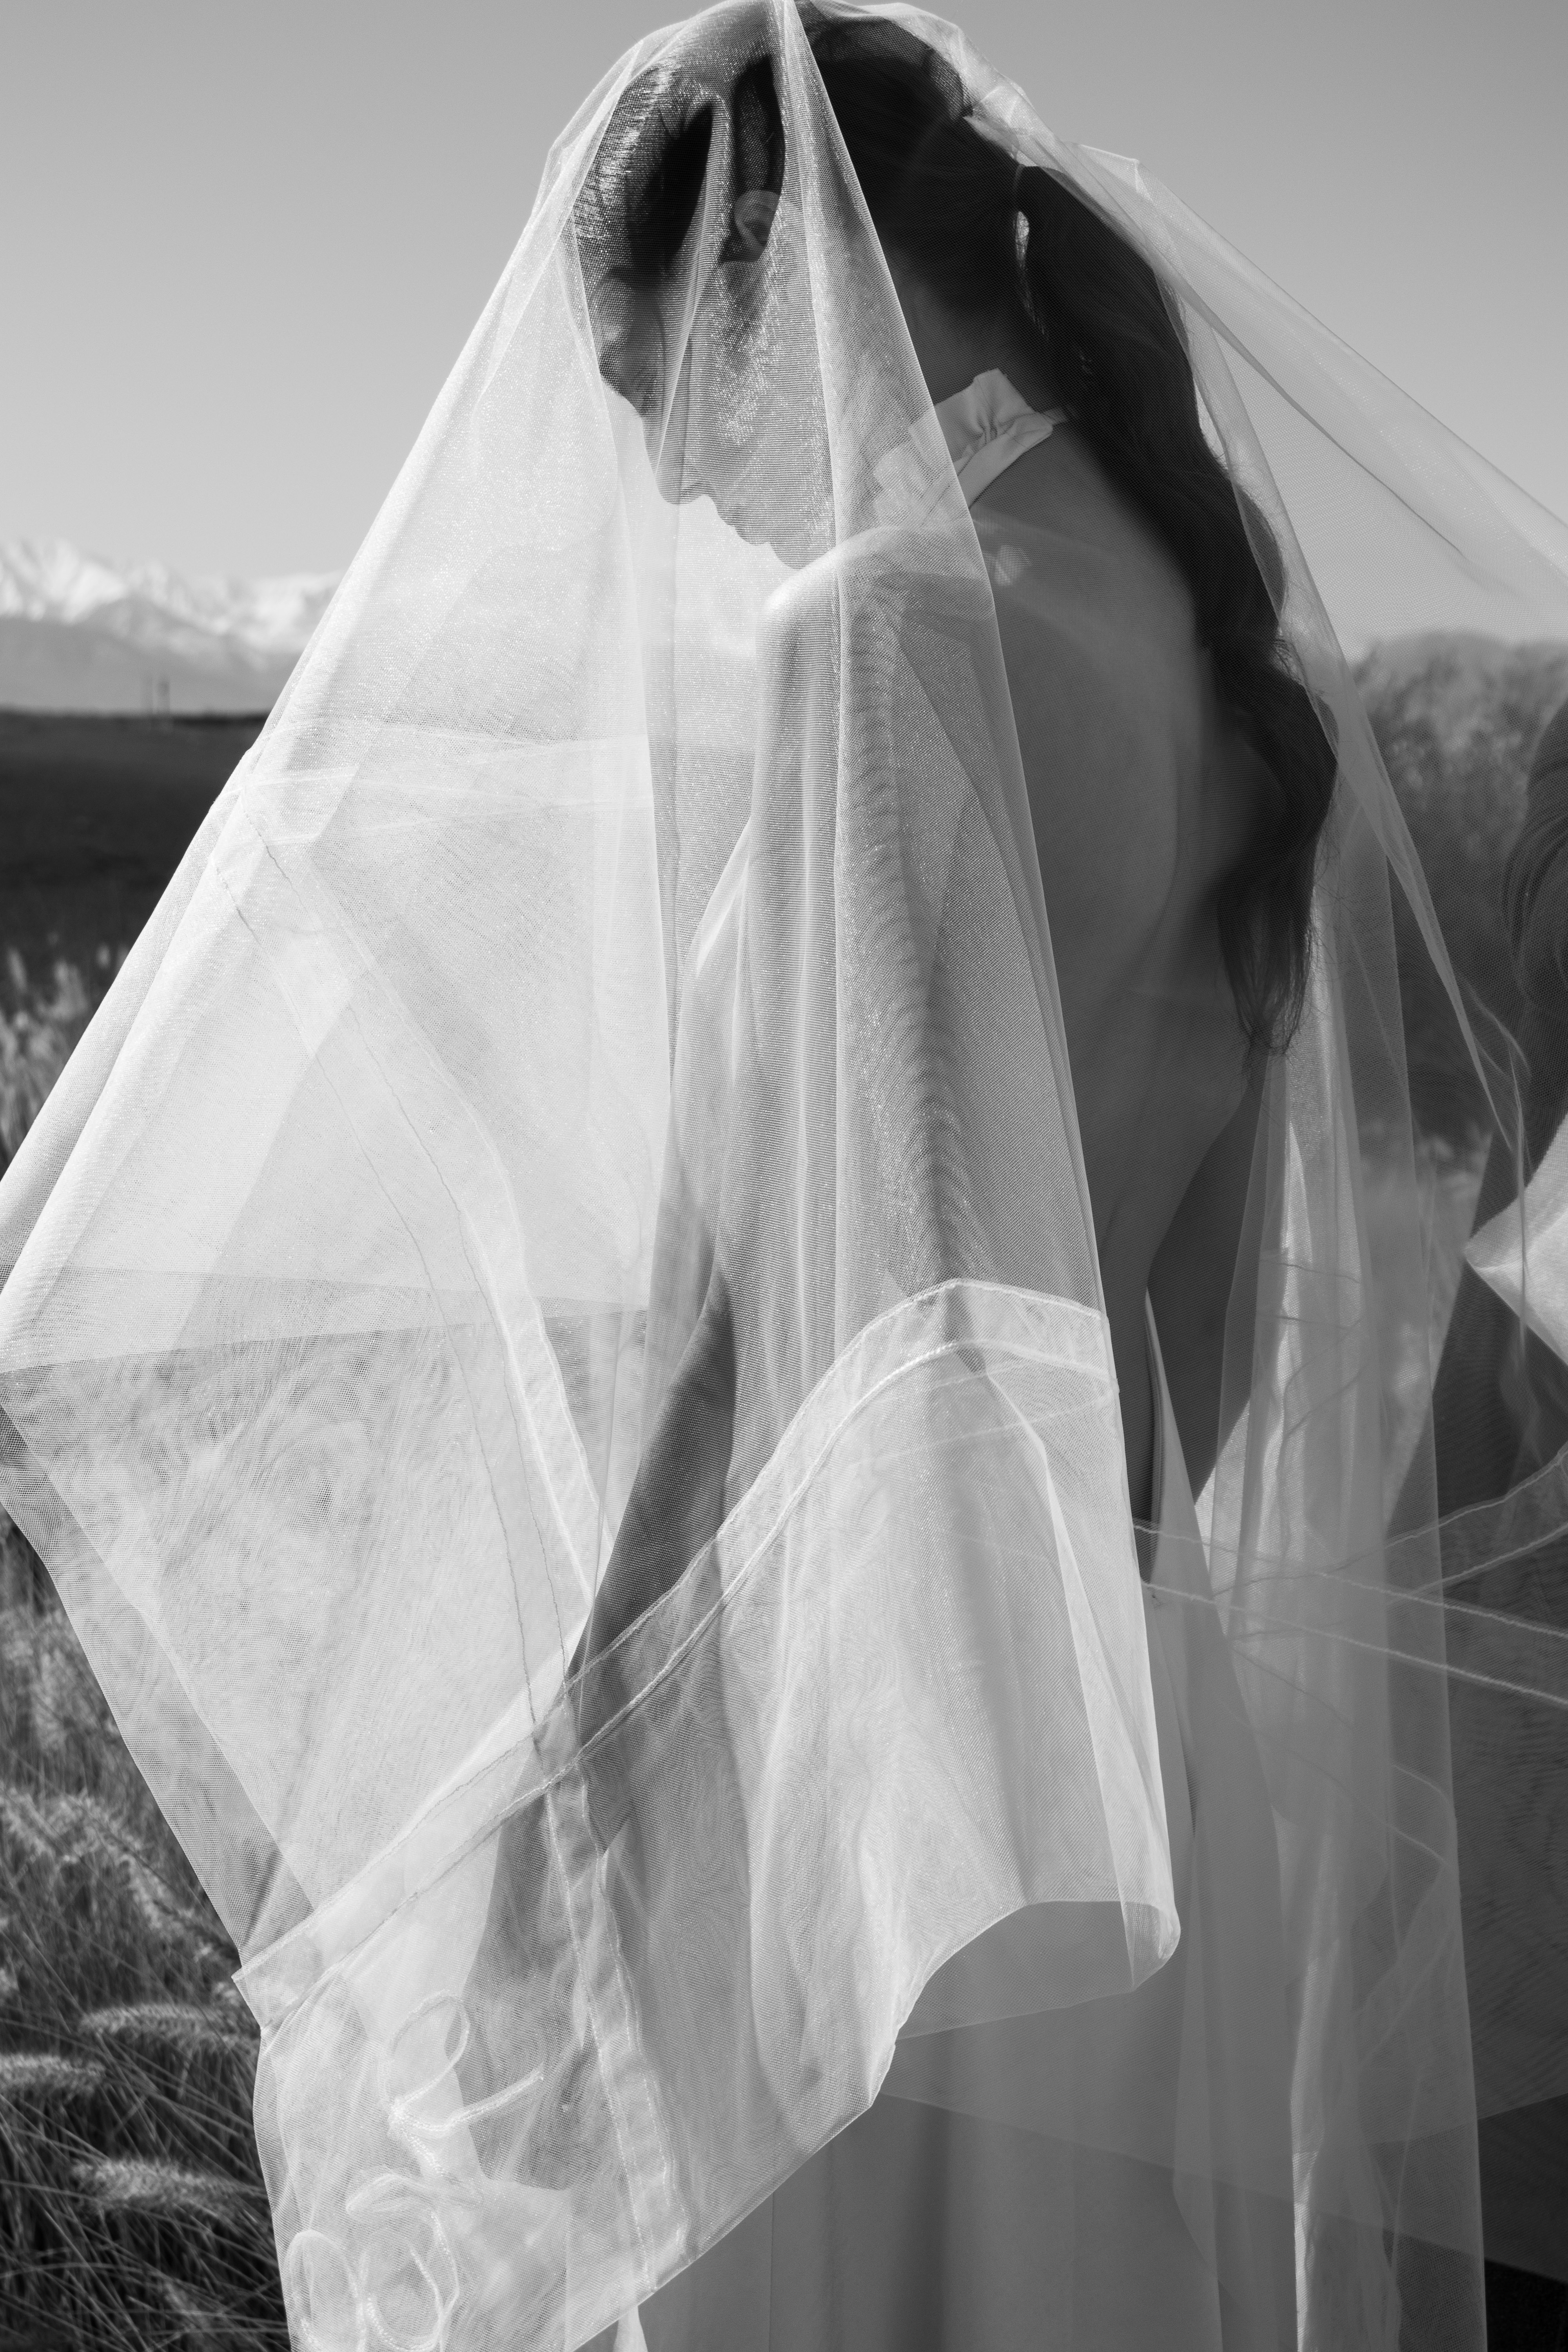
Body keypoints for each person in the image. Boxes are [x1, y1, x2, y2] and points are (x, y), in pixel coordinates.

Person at [1, 7, 1565, 2350]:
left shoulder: (884, 632)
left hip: (860, 1787)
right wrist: (1102, 1665)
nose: (668, 479)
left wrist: (579, 1785)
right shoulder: (1199, 638)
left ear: (768, 267)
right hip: (1134, 1747)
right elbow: (1214, 1323)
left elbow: (760, 1323)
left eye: (656, 393)